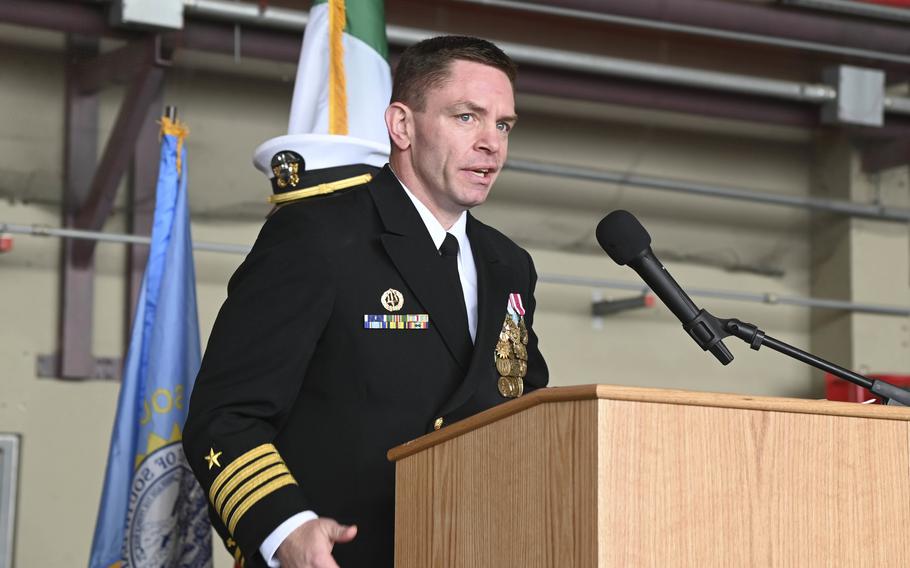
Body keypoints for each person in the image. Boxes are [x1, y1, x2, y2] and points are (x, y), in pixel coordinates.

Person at [183, 35, 548, 568]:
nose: (492, 142)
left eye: (503, 124)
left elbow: (523, 413)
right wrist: (286, 530)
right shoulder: (319, 235)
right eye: (467, 117)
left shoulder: (509, 264)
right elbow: (225, 418)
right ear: (402, 125)